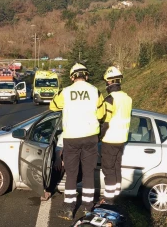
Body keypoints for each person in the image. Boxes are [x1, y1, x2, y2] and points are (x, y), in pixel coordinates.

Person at [50, 63, 106, 220]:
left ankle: (68, 207)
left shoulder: (66, 92)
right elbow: (101, 114)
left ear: (72, 77)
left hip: (72, 138)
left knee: (72, 173)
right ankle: (88, 208)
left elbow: (53, 106)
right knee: (88, 172)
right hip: (90, 138)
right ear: (86, 76)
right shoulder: (96, 91)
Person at [98, 66, 132, 206]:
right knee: (116, 168)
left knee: (108, 170)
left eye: (107, 82)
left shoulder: (110, 99)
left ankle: (108, 199)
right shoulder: (127, 98)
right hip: (122, 139)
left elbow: (105, 123)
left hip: (110, 139)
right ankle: (116, 195)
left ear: (110, 82)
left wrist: (98, 137)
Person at [41, 132, 65, 201]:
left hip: (79, 156)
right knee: (57, 166)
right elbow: (59, 147)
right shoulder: (66, 132)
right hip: (68, 154)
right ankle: (49, 190)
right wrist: (59, 159)